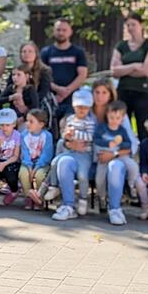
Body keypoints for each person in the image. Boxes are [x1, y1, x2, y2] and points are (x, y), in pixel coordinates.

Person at [92, 101, 148, 225]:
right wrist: (108, 144)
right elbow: (96, 139)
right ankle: (102, 198)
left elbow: (128, 144)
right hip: (104, 156)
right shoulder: (102, 128)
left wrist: (119, 146)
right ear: (107, 115)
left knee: (133, 166)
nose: (114, 120)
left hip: (119, 156)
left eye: (117, 118)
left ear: (122, 118)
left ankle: (131, 185)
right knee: (99, 179)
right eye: (111, 117)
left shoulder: (122, 130)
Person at [110, 12, 148, 140]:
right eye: (128, 25)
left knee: (143, 126)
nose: (131, 28)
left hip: (142, 92)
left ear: (141, 25)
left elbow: (146, 71)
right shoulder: (121, 46)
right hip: (123, 91)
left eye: (133, 24)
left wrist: (124, 69)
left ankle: (143, 154)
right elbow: (114, 71)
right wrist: (134, 66)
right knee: (122, 125)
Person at [50, 89, 96, 220]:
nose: (82, 110)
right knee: (60, 162)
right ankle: (67, 203)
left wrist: (74, 134)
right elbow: (65, 135)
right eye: (79, 107)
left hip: (85, 154)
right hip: (70, 152)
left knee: (82, 175)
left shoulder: (90, 121)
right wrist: (67, 136)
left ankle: (83, 198)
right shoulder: (70, 119)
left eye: (85, 107)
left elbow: (90, 136)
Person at [40, 18, 88, 120]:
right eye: (58, 30)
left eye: (64, 30)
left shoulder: (78, 52)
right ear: (54, 31)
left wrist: (66, 91)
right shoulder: (46, 52)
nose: (61, 33)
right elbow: (42, 75)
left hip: (73, 99)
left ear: (70, 32)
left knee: (69, 129)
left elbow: (82, 74)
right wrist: (57, 89)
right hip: (51, 98)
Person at [19, 109, 54, 210]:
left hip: (42, 164)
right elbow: (24, 153)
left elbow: (46, 154)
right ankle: (29, 197)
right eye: (27, 121)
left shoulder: (47, 136)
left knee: (40, 176)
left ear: (41, 124)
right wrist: (29, 166)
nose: (27, 124)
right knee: (23, 173)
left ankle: (39, 197)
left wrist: (36, 167)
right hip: (28, 162)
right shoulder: (24, 135)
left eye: (31, 121)